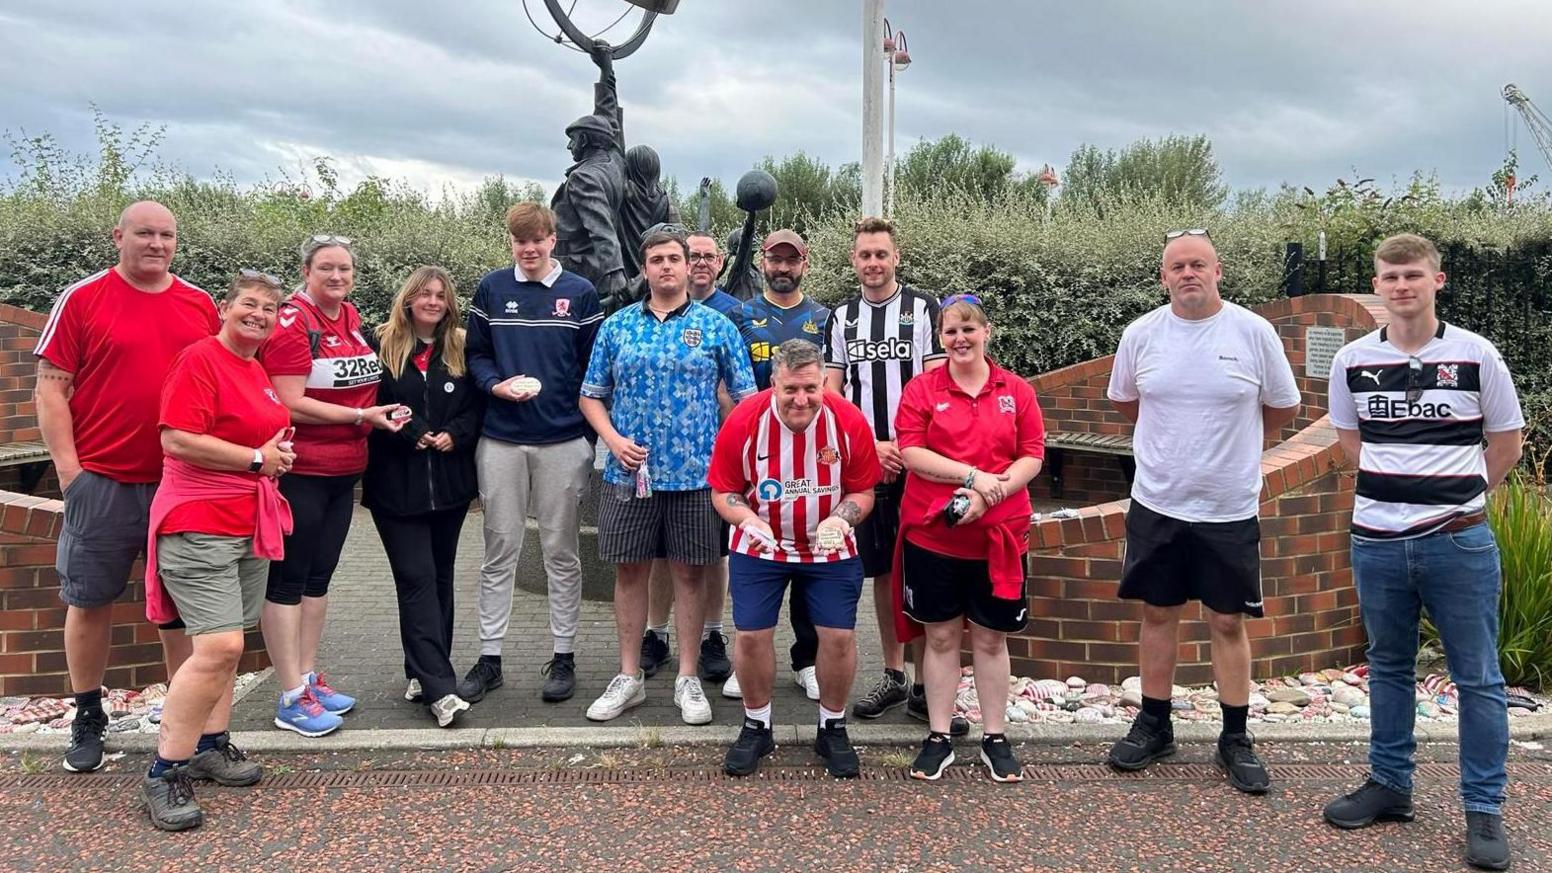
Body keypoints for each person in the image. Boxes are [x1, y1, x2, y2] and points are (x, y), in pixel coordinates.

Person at [1323, 234, 1523, 871]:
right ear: (1377, 286)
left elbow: (1507, 442)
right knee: (1388, 666)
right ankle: (1390, 785)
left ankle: (1483, 809)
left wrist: (1457, 498)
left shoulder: (1476, 355)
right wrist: (1396, 495)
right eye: (1390, 276)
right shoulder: (1353, 360)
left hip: (1457, 541)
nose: (1400, 285)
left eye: (1412, 275)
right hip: (1376, 542)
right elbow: (1349, 439)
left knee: (1479, 679)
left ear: (1438, 281)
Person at [1104, 229, 1300, 793]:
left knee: (1227, 620)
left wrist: (1229, 452)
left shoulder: (1252, 332)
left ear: (1218, 272)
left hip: (1228, 506)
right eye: (1176, 267)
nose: (1188, 274)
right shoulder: (1141, 334)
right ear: (1163, 276)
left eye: (1198, 265)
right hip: (1158, 502)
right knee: (1158, 614)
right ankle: (1155, 723)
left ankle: (1234, 737)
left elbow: (1281, 408)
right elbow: (1127, 401)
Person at [34, 201, 219, 773]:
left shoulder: (199, 303)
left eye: (166, 235)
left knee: (179, 611)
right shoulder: (82, 298)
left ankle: (181, 726)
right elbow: (50, 390)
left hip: (180, 485)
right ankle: (88, 712)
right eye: (144, 233)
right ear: (119, 236)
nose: (156, 244)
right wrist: (72, 474)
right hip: (104, 481)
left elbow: (219, 378)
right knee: (89, 601)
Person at [137, 270, 295, 830]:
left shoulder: (255, 369)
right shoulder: (200, 359)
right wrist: (257, 460)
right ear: (224, 309)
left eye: (269, 309)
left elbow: (260, 434)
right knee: (220, 646)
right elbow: (176, 438)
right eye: (248, 305)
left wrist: (274, 455)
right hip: (198, 521)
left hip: (247, 520)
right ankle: (163, 772)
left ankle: (212, 744)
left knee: (229, 644)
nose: (259, 315)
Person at [579, 228, 756, 724]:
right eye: (656, 259)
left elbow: (746, 398)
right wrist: (612, 439)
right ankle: (629, 676)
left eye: (674, 258)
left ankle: (688, 678)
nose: (666, 267)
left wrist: (734, 454)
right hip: (629, 473)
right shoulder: (616, 328)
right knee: (631, 570)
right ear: (645, 267)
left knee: (689, 573)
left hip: (696, 476)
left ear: (687, 266)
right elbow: (590, 394)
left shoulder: (717, 327)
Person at [892, 297, 1046, 782]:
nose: (960, 339)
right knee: (938, 637)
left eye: (968, 330)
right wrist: (975, 478)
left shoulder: (1015, 390)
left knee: (990, 637)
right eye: (950, 331)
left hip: (1000, 537)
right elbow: (912, 452)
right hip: (934, 537)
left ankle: (995, 737)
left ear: (987, 333)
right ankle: (938, 736)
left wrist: (991, 493)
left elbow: (1033, 454)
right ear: (939, 338)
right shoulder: (922, 389)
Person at [710, 339, 880, 778]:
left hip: (829, 542)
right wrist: (745, 518)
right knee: (750, 636)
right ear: (774, 384)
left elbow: (863, 490)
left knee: (838, 637)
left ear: (824, 383)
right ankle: (757, 725)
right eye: (790, 390)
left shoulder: (848, 420)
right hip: (761, 542)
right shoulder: (745, 420)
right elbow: (724, 490)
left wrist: (843, 519)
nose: (800, 399)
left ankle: (832, 727)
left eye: (810, 388)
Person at [259, 234, 406, 737]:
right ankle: (289, 696)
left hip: (346, 471)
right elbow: (288, 400)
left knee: (319, 580)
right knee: (288, 582)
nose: (337, 277)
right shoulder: (292, 321)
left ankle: (307, 677)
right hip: (302, 470)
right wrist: (359, 413)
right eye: (327, 269)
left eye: (344, 269)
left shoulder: (348, 317)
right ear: (307, 271)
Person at [824, 216, 966, 736]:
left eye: (881, 254)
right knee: (884, 572)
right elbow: (834, 393)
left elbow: (933, 385)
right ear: (853, 260)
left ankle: (929, 686)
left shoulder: (924, 309)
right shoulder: (840, 317)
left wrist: (906, 445)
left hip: (920, 459)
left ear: (896, 257)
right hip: (870, 460)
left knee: (925, 566)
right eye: (864, 255)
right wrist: (873, 445)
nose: (873, 263)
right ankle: (893, 674)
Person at [462, 203, 603, 705]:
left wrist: (589, 437)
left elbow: (594, 368)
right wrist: (495, 385)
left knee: (561, 553)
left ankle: (563, 656)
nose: (528, 250)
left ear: (552, 241)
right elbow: (475, 354)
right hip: (500, 439)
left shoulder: (580, 293)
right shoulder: (492, 288)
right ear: (512, 244)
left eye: (536, 241)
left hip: (563, 442)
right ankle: (490, 657)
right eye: (519, 242)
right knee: (499, 549)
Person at [364, 267, 485, 727]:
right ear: (408, 300)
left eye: (440, 295)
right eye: (423, 294)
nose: (432, 301)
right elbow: (370, 403)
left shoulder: (460, 345)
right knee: (415, 579)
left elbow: (476, 406)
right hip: (397, 487)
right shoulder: (382, 344)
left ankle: (419, 670)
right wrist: (408, 432)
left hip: (450, 488)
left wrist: (456, 434)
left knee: (439, 580)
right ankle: (441, 688)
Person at [723, 229, 831, 701]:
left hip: (812, 456)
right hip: (757, 453)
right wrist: (737, 431)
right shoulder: (740, 315)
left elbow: (834, 385)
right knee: (753, 558)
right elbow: (728, 382)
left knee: (808, 553)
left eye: (792, 259)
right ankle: (746, 658)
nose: (782, 267)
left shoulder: (824, 318)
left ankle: (806, 659)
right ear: (763, 262)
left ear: (805, 263)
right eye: (775, 259)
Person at [641, 230, 741, 690]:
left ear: (718, 263)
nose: (693, 264)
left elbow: (743, 394)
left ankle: (711, 635)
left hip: (712, 461)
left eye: (703, 256)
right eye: (688, 255)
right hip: (650, 465)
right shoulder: (630, 322)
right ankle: (656, 633)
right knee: (662, 556)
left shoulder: (730, 317)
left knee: (708, 556)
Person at [553, 43, 629, 313]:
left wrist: (615, 272)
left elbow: (601, 228)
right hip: (593, 273)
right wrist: (607, 71)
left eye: (572, 140)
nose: (570, 147)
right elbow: (609, 119)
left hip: (578, 275)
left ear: (584, 139)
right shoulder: (615, 160)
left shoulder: (584, 178)